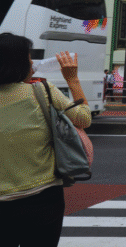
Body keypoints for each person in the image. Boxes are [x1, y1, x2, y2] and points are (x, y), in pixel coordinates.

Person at [1, 34, 92, 247]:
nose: (32, 62)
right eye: (28, 57)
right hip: (42, 198)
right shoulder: (40, 91)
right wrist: (73, 79)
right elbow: (84, 118)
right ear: (18, 63)